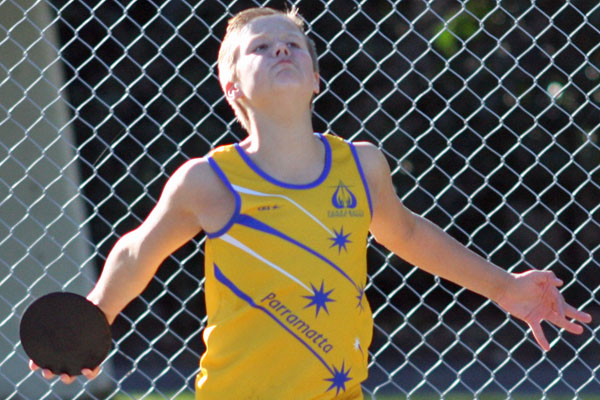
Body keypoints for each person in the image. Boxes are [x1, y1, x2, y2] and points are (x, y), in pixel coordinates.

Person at [30, 6, 592, 399]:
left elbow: (409, 235)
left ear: (317, 79)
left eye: (293, 44)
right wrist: (92, 317)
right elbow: (138, 251)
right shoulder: (209, 181)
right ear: (232, 88)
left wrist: (504, 287)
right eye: (260, 47)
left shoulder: (362, 165)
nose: (281, 48)